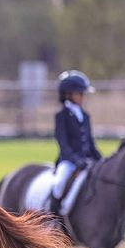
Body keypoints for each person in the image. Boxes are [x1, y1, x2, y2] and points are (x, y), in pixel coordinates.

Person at [51, 69, 102, 218]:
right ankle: (53, 218)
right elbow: (63, 144)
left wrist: (102, 160)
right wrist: (77, 161)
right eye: (80, 93)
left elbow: (90, 144)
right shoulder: (62, 116)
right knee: (58, 185)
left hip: (87, 161)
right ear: (68, 94)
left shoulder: (85, 116)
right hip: (69, 162)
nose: (82, 97)